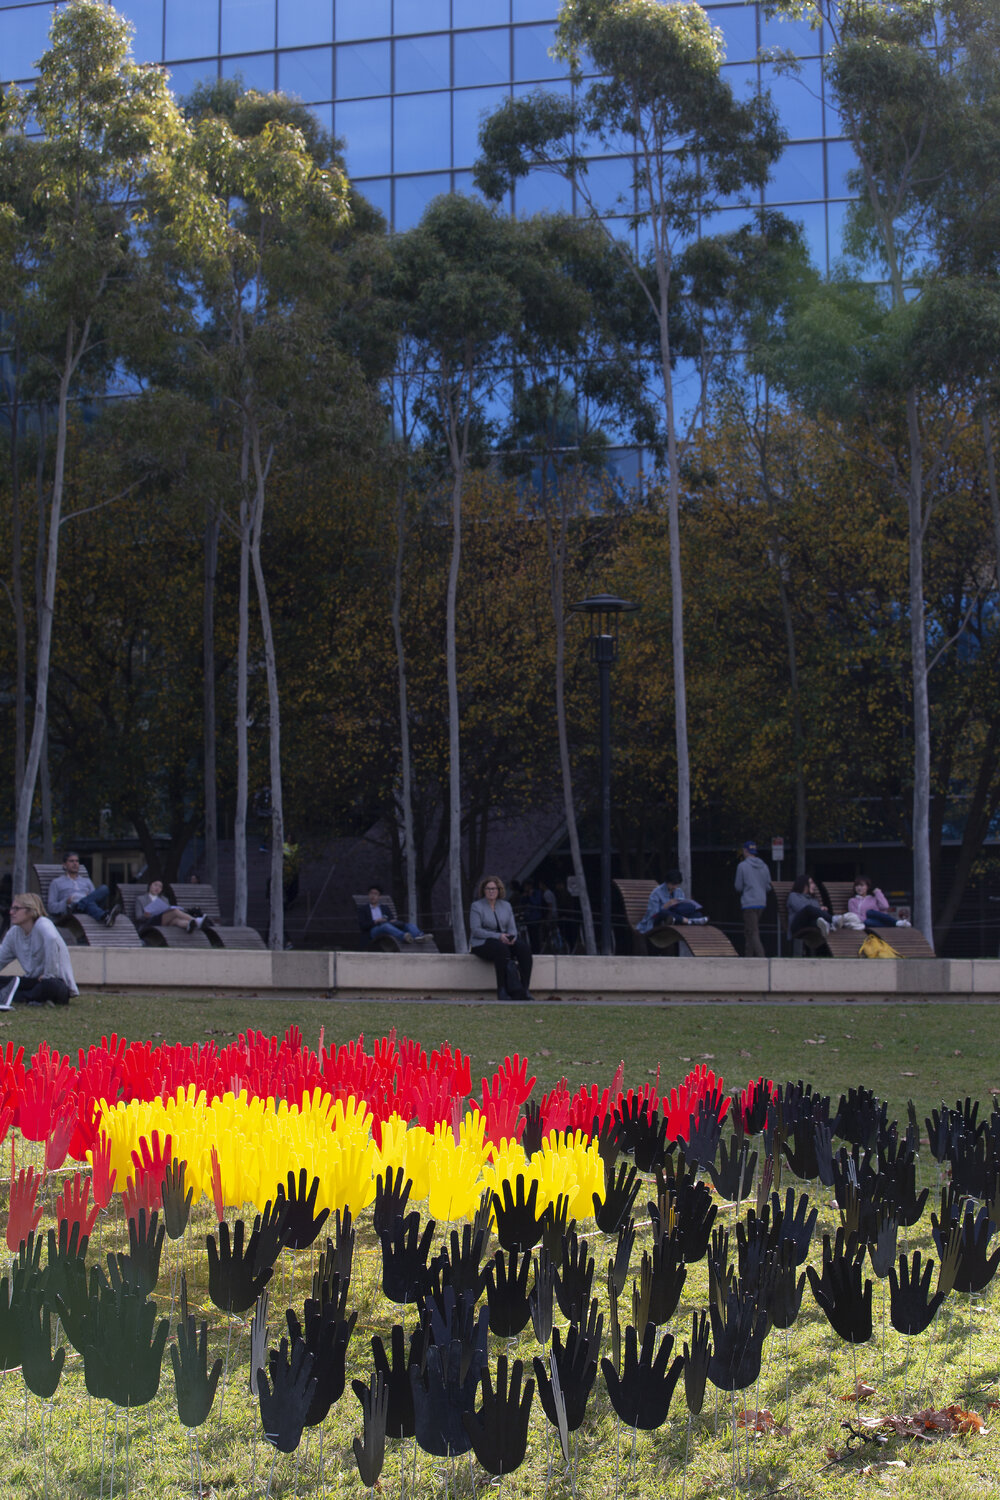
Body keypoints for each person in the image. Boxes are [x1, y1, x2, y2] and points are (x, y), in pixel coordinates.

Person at [0, 893, 78, 1006]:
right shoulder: (14, 934)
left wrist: (49, 974)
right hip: (33, 981)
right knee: (6, 981)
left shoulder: (43, 924)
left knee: (50, 986)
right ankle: (29, 998)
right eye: (12, 908)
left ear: (31, 911)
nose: (11, 912)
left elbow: (52, 938)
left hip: (54, 982)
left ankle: (19, 997)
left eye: (16, 909)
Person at [470, 874, 536, 1002]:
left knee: (524, 949)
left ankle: (524, 989)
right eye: (488, 889)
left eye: (494, 889)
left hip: (504, 941)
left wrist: (511, 938)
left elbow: (512, 928)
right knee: (501, 950)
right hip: (482, 943)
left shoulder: (506, 906)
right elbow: (476, 930)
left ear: (499, 890)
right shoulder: (477, 906)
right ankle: (502, 990)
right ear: (483, 891)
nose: (491, 891)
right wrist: (498, 936)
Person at [47, 850, 120, 926]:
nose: (75, 863)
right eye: (71, 861)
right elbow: (51, 907)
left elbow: (95, 898)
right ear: (64, 865)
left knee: (104, 888)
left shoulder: (86, 881)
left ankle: (82, 905)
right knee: (88, 902)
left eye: (77, 861)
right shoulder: (56, 882)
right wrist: (66, 902)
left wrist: (87, 898)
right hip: (72, 909)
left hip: (87, 907)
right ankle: (105, 916)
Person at [637, 869, 708, 933]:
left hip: (675, 916)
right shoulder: (656, 893)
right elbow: (652, 913)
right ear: (667, 882)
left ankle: (685, 921)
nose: (675, 887)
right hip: (659, 919)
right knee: (664, 912)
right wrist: (665, 906)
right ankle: (687, 921)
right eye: (673, 884)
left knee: (698, 914)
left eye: (677, 885)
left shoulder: (679, 891)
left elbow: (681, 909)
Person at [135, 880, 214, 935]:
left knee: (176, 920)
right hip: (149, 922)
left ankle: (189, 925)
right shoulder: (141, 899)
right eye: (155, 885)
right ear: (150, 885)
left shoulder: (164, 899)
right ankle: (197, 921)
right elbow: (138, 917)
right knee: (175, 911)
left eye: (160, 887)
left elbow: (166, 910)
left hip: (162, 921)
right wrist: (145, 916)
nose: (157, 888)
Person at [734, 841, 771, 957]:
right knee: (749, 931)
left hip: (749, 903)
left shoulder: (742, 866)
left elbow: (738, 886)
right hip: (761, 902)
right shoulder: (764, 866)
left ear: (745, 851)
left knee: (753, 932)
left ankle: (762, 957)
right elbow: (768, 886)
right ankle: (748, 957)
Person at [357, 886, 427, 945]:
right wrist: (376, 921)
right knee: (385, 926)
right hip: (373, 930)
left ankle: (419, 937)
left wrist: (392, 920)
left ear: (379, 897)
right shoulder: (363, 909)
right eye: (371, 893)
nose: (373, 896)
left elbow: (391, 919)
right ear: (368, 895)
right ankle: (404, 937)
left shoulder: (385, 908)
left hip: (387, 926)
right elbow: (363, 926)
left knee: (410, 925)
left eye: (375, 894)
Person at [787, 873, 834, 940]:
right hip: (797, 926)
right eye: (811, 883)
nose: (814, 885)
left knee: (819, 920)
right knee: (808, 908)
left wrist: (821, 911)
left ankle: (829, 925)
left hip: (809, 924)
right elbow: (802, 909)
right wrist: (818, 910)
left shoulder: (813, 900)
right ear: (804, 885)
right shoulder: (793, 896)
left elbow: (815, 914)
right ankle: (833, 920)